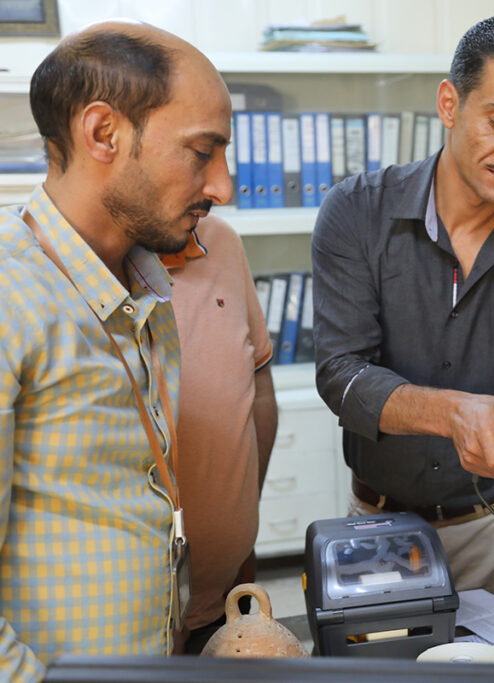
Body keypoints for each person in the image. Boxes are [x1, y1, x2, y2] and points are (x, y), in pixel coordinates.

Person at [311, 14, 494, 591]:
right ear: (449, 104)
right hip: (380, 527)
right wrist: (452, 413)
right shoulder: (356, 213)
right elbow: (341, 374)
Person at [0, 20, 232, 680]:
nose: (222, 186)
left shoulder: (141, 287)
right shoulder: (10, 299)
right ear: (104, 133)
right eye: (201, 152)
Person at [161, 215, 277, 654]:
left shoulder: (220, 239)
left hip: (227, 595)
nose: (222, 188)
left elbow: (257, 389)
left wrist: (243, 525)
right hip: (136, 623)